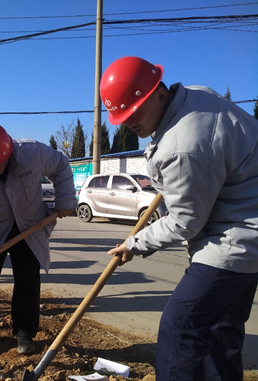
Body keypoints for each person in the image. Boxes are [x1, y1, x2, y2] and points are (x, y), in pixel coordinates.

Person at [102, 56, 258, 381]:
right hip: (249, 228)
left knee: (180, 326)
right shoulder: (194, 97)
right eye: (122, 116)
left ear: (159, 93)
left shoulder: (183, 145)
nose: (128, 122)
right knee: (220, 331)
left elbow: (185, 222)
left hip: (236, 239)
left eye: (134, 111)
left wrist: (135, 243)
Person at [0, 122, 77, 358]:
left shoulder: (32, 153)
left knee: (27, 279)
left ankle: (24, 333)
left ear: (7, 155)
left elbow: (61, 165)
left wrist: (65, 199)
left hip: (29, 226)